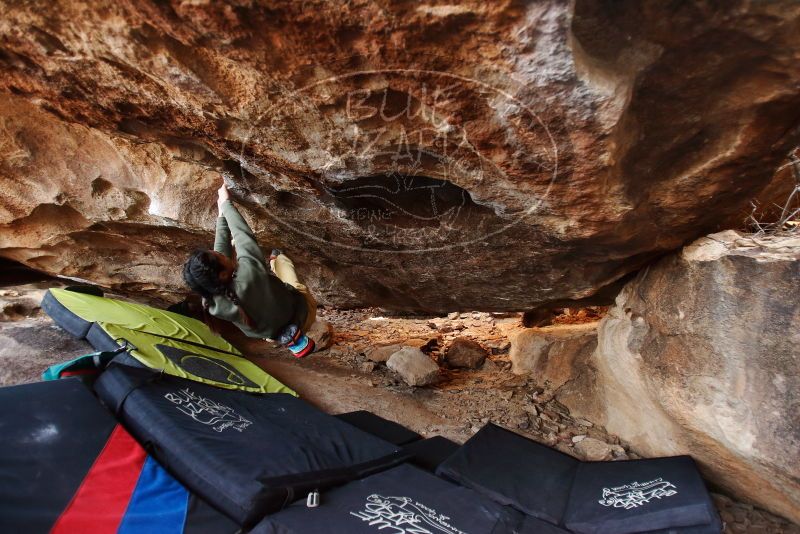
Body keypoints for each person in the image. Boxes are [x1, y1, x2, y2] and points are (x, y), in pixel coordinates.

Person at [182, 182, 317, 357]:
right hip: (303, 313)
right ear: (223, 274)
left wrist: (222, 219)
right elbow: (243, 236)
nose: (220, 253)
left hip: (273, 333)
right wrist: (226, 204)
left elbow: (220, 254)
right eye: (218, 256)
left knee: (261, 283)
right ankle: (277, 259)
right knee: (284, 266)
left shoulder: (212, 303)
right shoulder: (248, 276)